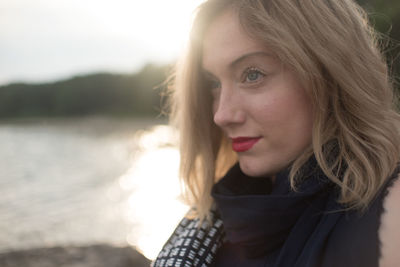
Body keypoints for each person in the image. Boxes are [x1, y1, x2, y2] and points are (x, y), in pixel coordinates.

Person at [152, 0, 400, 266]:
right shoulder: (214, 220)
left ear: (330, 75)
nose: (221, 115)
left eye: (253, 75)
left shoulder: (389, 214)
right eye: (213, 83)